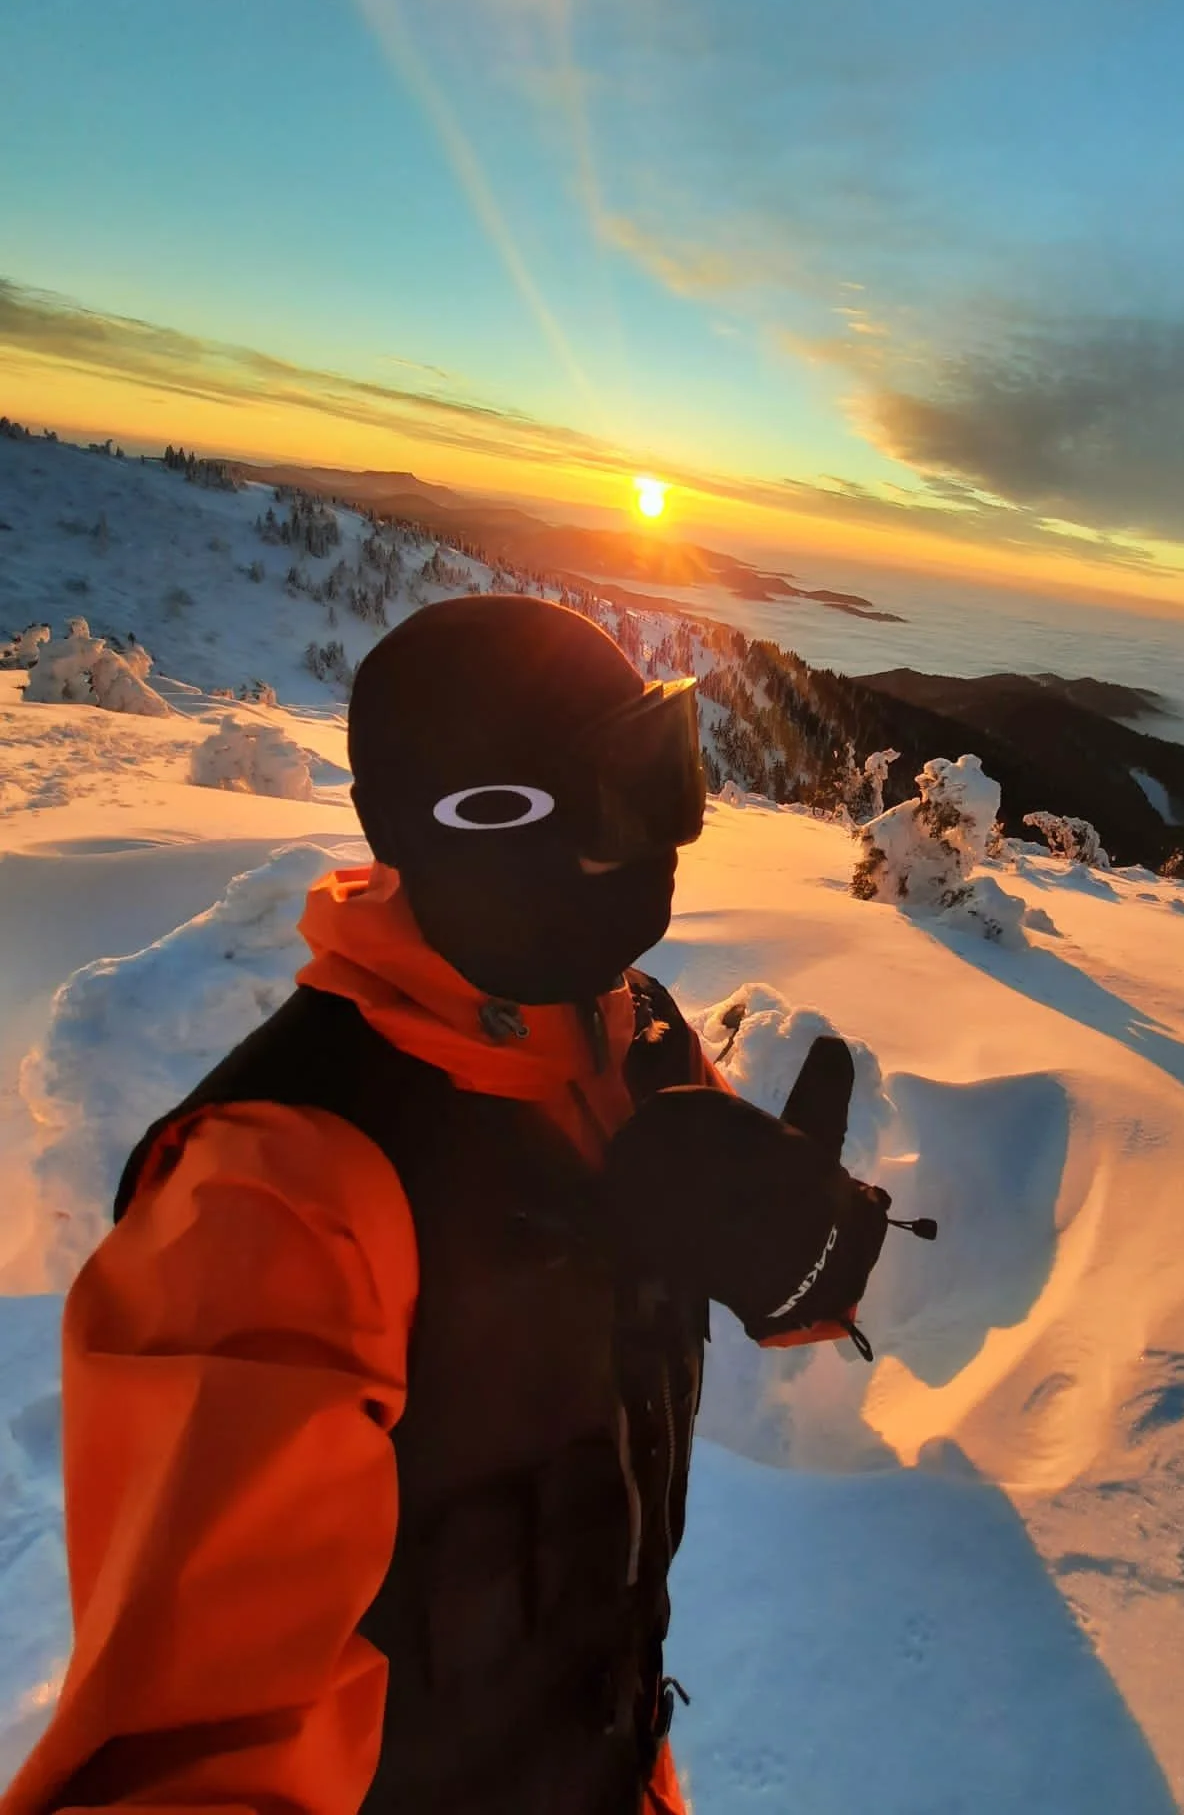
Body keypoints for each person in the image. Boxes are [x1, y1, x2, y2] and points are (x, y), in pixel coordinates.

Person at [2, 596, 906, 1815]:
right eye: (605, 798)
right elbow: (192, 1751)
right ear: (463, 825)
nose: (636, 852)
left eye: (660, 784)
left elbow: (734, 1274)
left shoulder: (625, 1035)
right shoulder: (273, 1188)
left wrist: (807, 1251)